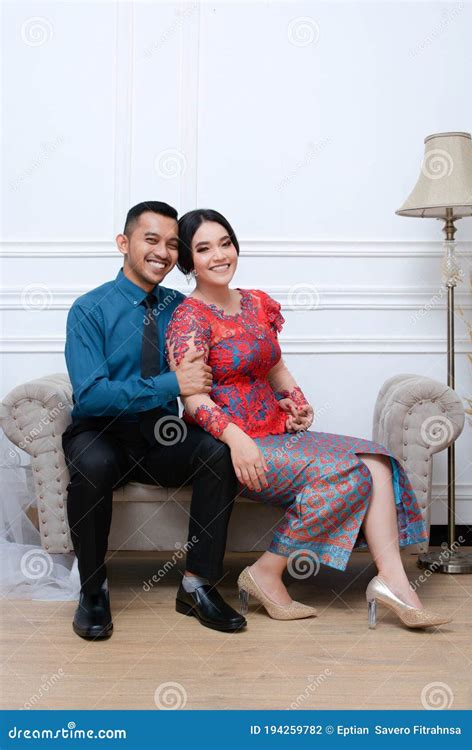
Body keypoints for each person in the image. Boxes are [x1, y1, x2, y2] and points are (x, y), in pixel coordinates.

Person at [165, 208, 453, 629]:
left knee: (376, 461)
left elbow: (276, 368)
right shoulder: (189, 318)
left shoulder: (257, 302)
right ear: (189, 263)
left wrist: (297, 403)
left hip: (278, 431)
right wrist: (238, 441)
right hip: (236, 446)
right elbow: (193, 399)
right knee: (351, 476)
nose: (220, 255)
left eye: (225, 243)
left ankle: (393, 583)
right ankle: (266, 573)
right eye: (204, 249)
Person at [62, 201, 246, 639]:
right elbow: (90, 396)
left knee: (215, 453)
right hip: (100, 431)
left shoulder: (182, 308)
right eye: (151, 240)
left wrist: (280, 402)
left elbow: (214, 372)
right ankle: (93, 589)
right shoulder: (89, 310)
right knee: (92, 463)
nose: (163, 252)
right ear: (124, 243)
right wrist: (170, 384)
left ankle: (197, 584)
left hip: (160, 435)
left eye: (172, 244)